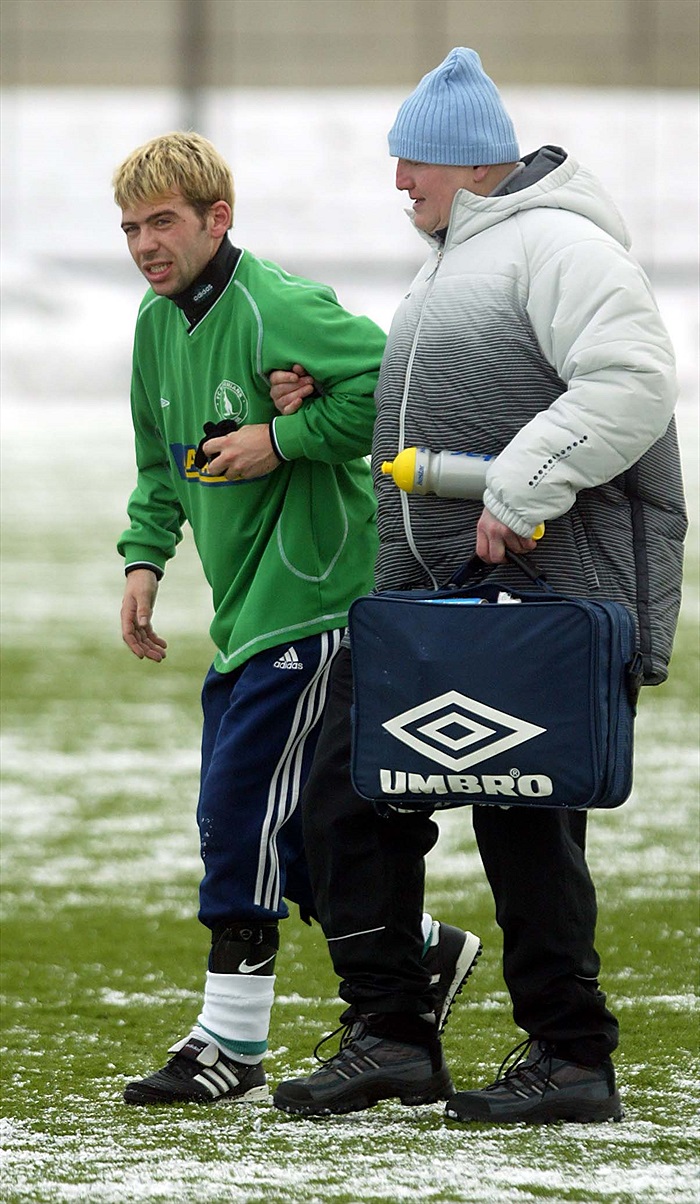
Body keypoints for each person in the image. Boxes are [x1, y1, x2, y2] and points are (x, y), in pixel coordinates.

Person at [269, 49, 686, 1122]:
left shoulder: (557, 245)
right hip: (438, 603)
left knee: (525, 823)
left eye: (413, 164)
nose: (399, 183)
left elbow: (632, 381)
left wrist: (525, 482)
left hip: (544, 601)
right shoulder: (456, 259)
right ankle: (393, 1034)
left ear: (466, 165)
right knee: (347, 793)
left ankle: (571, 1057)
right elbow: (453, 409)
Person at [112, 132, 481, 1106]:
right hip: (243, 620)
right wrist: (145, 560)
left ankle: (230, 1046)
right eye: (131, 228)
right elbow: (164, 463)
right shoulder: (155, 327)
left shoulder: (275, 304)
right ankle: (419, 955)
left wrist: (283, 436)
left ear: (215, 218)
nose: (145, 243)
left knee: (236, 815)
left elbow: (393, 390)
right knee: (297, 838)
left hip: (316, 606)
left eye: (163, 222)